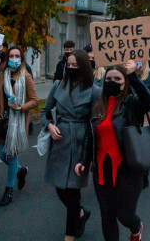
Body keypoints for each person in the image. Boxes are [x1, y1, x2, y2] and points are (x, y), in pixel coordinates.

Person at [75, 60, 150, 241]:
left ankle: (136, 227)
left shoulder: (131, 103)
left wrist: (133, 75)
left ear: (125, 82)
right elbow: (90, 135)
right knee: (107, 215)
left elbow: (149, 103)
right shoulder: (98, 107)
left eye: (117, 78)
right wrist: (83, 160)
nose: (112, 81)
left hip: (128, 170)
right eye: (109, 78)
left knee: (124, 214)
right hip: (103, 172)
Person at [41, 49, 101, 241]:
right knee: (60, 188)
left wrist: (90, 154)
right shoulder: (58, 85)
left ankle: (69, 236)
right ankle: (80, 214)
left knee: (73, 191)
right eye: (69, 64)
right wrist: (49, 125)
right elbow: (45, 111)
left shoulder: (94, 90)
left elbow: (95, 122)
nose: (72, 68)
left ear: (84, 66)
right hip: (59, 141)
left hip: (80, 142)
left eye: (76, 65)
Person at [0, 46, 38, 206]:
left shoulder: (26, 77)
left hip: (16, 123)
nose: (14, 58)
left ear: (21, 59)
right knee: (3, 156)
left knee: (11, 156)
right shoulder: (1, 76)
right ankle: (20, 170)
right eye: (11, 55)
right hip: (1, 122)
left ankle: (9, 190)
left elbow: (35, 100)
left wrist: (21, 107)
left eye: (17, 56)